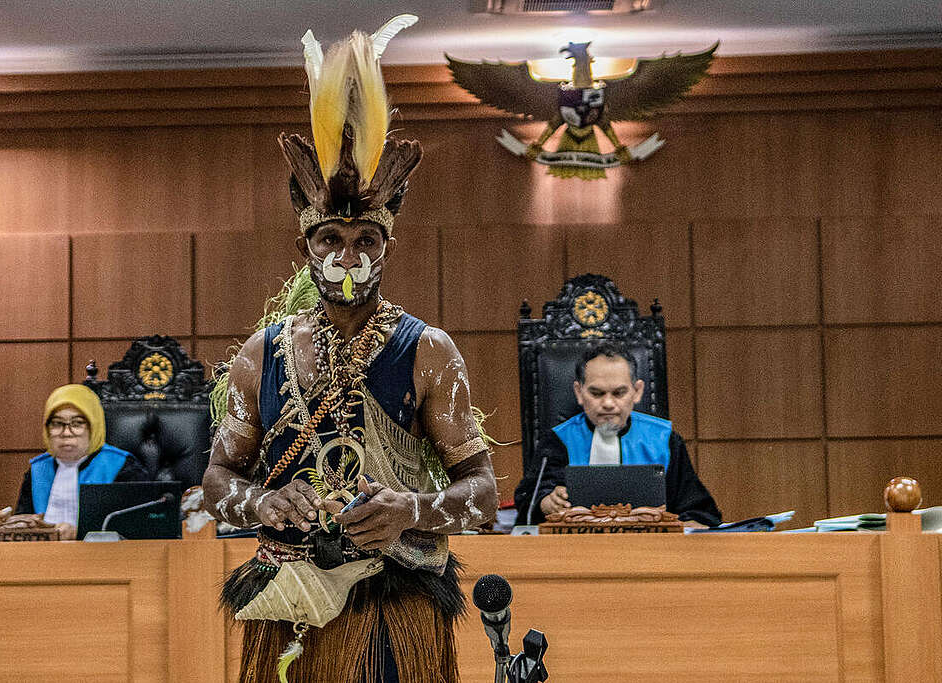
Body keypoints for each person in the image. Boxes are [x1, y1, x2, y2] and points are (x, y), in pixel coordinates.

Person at [202, 15, 497, 683]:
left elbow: (482, 495)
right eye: (331, 239)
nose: (348, 256)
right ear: (304, 248)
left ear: (388, 246)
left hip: (396, 605)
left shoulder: (429, 351)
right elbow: (218, 479)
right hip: (292, 604)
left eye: (366, 239)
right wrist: (260, 504)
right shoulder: (262, 352)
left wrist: (410, 510)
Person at [514, 341, 721, 528]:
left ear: (637, 391)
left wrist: (691, 525)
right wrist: (546, 502)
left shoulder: (664, 440)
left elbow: (697, 509)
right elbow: (528, 502)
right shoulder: (559, 441)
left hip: (652, 556)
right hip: (576, 554)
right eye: (596, 393)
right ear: (579, 392)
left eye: (619, 393)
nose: (608, 403)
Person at [15, 384, 148, 538]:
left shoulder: (123, 467)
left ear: (93, 427)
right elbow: (21, 527)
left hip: (104, 557)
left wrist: (78, 532)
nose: (66, 433)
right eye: (57, 424)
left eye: (77, 424)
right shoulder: (38, 470)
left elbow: (138, 529)